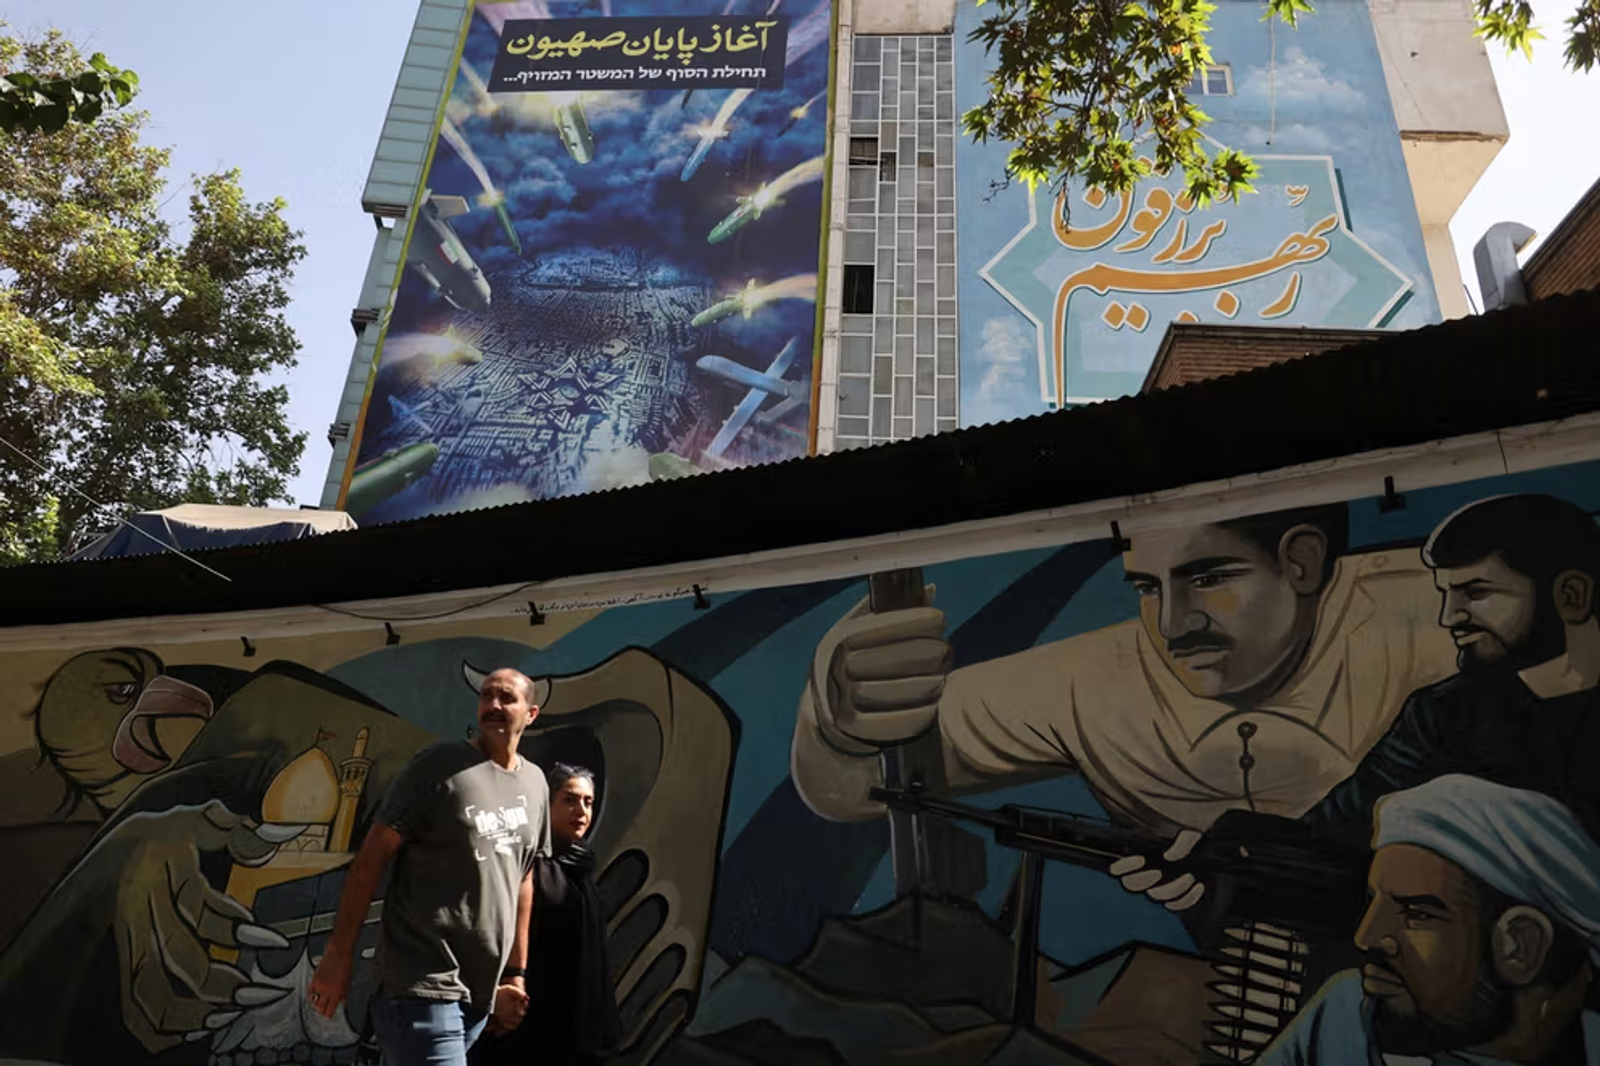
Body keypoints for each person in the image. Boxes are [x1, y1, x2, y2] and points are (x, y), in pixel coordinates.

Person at [791, 503, 1459, 839]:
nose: (1172, 624)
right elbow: (853, 786)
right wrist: (835, 719)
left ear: (1302, 562)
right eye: (1147, 587)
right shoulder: (1090, 685)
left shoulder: (1441, 616)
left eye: (1210, 579)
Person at [1117, 494, 1600, 912]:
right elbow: (1335, 834)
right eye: (1447, 594)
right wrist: (1213, 864)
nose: (1450, 616)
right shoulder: (1446, 714)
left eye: (1476, 592)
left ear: (1571, 595)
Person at [1259, 774, 1600, 1065]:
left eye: (1416, 913)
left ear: (1519, 946)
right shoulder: (1344, 1014)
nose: (1366, 937)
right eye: (1374, 902)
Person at [308, 667, 552, 1066]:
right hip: (420, 985)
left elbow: (523, 879)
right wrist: (338, 954)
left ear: (531, 713)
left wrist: (514, 974)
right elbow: (371, 857)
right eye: (486, 696)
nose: (493, 705)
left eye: (507, 698)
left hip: (478, 992)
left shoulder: (536, 784)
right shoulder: (440, 765)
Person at [471, 763, 622, 1066]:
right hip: (528, 1025)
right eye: (569, 800)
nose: (581, 810)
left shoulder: (582, 869)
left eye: (588, 802)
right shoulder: (530, 865)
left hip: (578, 1030)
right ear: (546, 804)